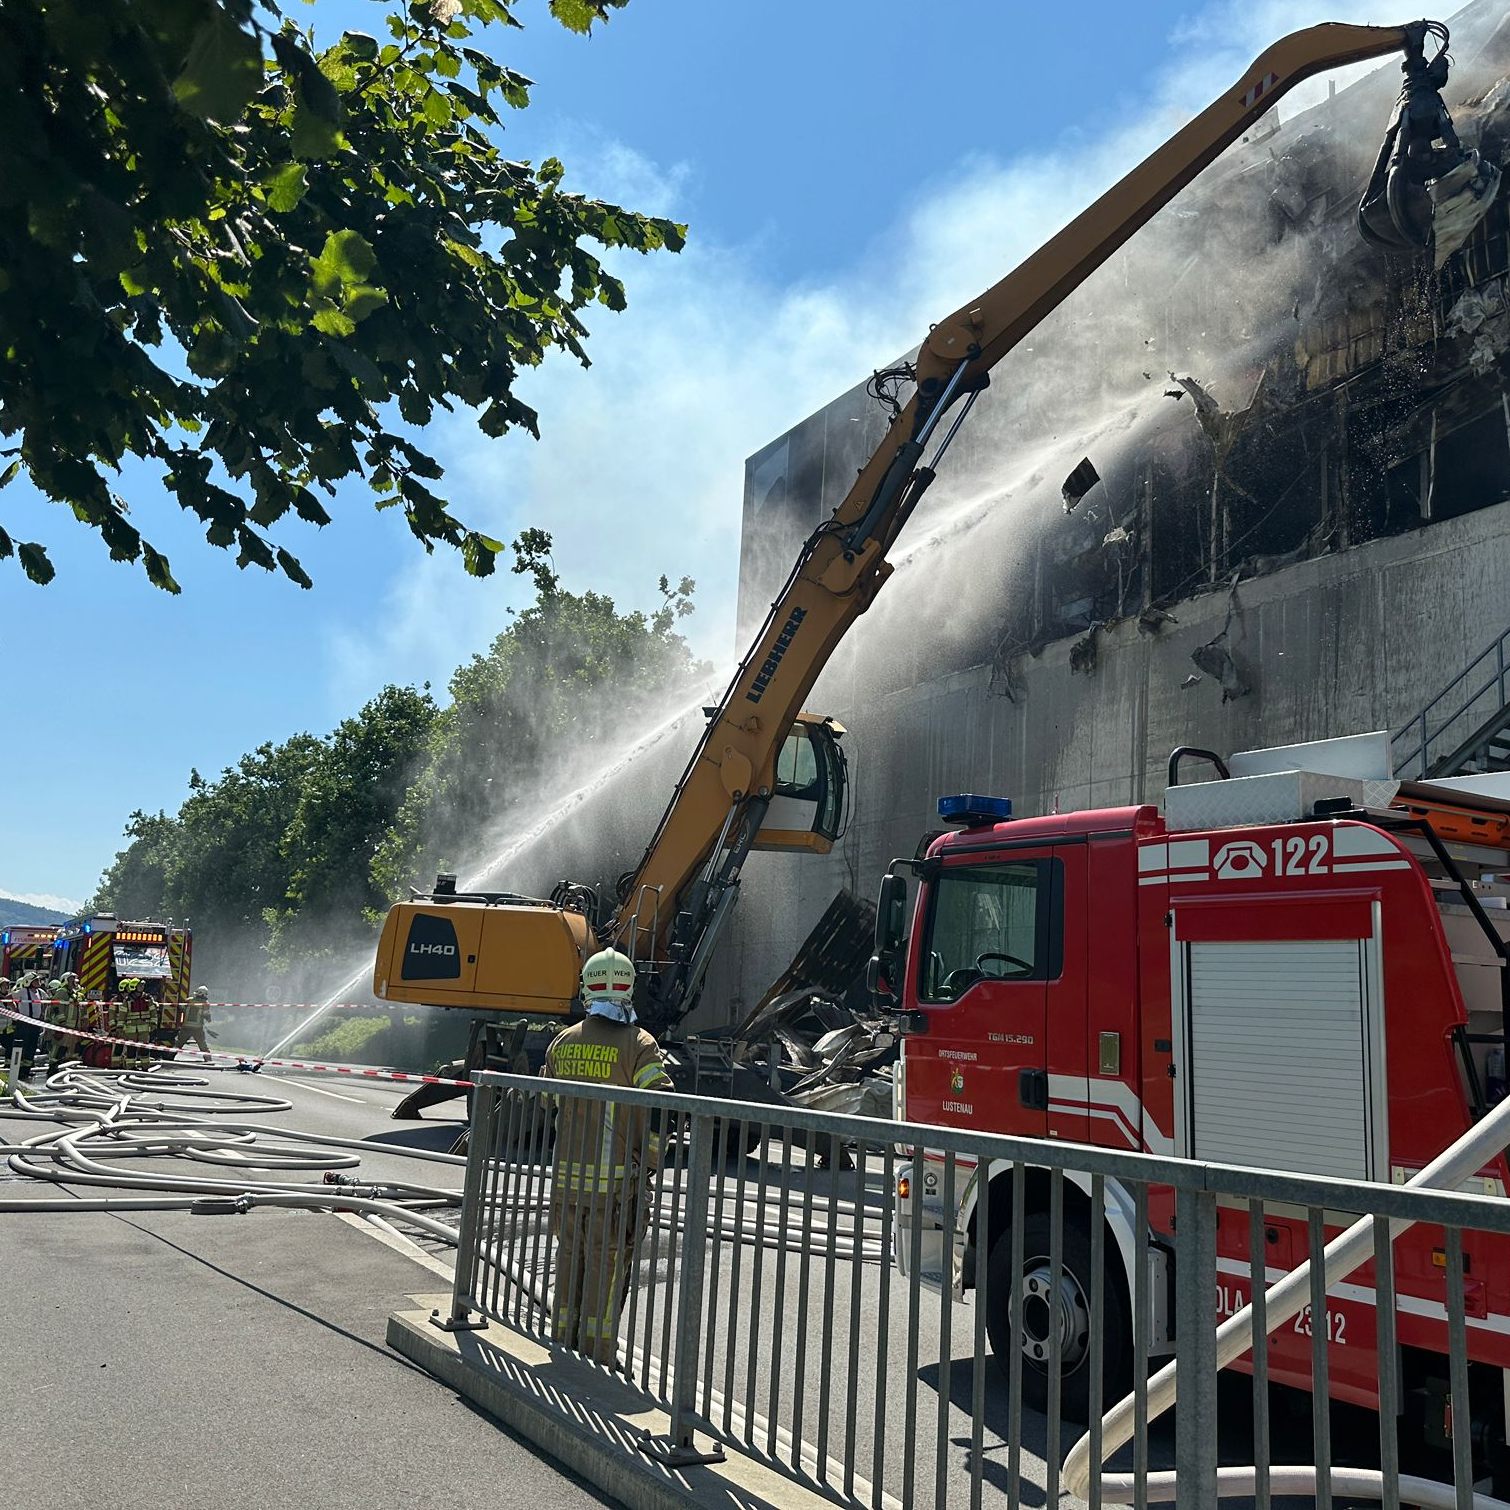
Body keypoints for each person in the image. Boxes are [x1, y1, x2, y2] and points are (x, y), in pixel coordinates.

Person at [542, 947, 671, 1365]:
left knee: (569, 1259)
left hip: (566, 1183)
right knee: (607, 1266)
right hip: (616, 1186)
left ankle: (562, 1340)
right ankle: (597, 1353)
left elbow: (547, 1099)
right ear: (629, 989)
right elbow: (660, 1104)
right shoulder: (639, 1044)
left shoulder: (564, 1041)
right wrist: (650, 1161)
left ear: (587, 988)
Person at [175, 986, 213, 1059]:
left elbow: (182, 1009)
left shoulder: (188, 1000)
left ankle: (169, 1057)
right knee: (203, 1046)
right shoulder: (205, 1004)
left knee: (178, 1044)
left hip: (186, 1027)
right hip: (197, 1028)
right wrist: (209, 1018)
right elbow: (206, 1015)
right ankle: (208, 1059)